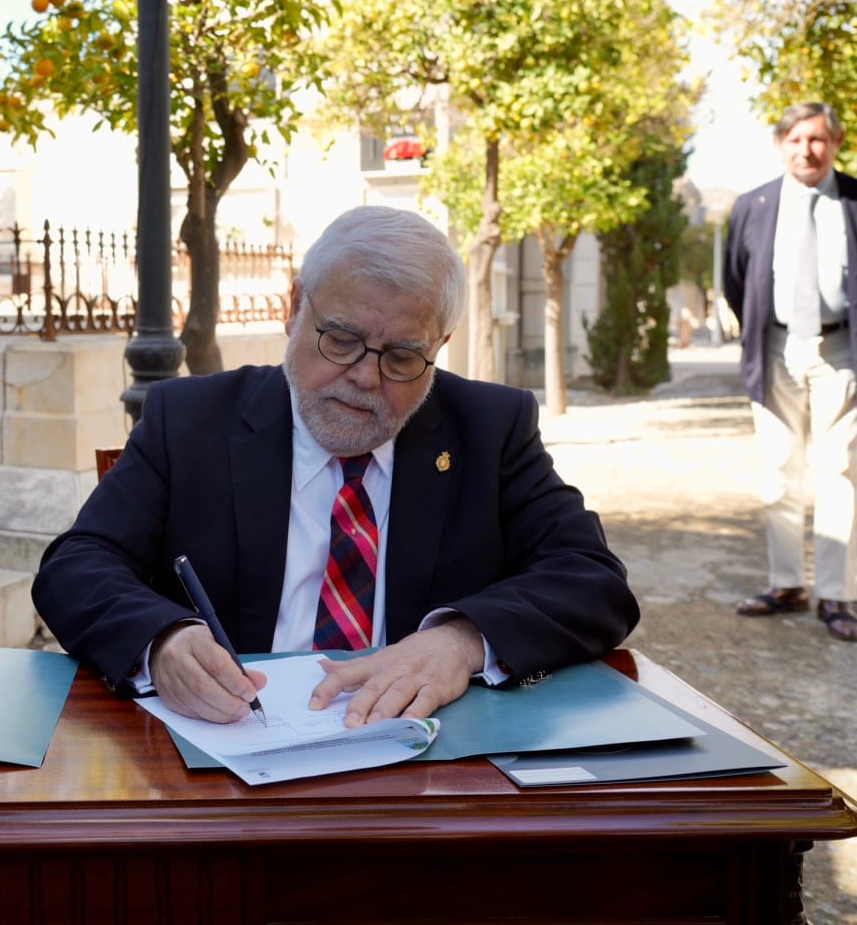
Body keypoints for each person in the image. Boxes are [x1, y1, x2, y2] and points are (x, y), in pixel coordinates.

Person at [33, 205, 639, 726]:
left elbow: (592, 579)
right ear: (295, 308)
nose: (365, 377)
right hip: (235, 752)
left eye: (403, 355)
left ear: (440, 345)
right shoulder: (189, 420)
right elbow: (76, 566)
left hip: (423, 762)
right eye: (341, 340)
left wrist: (461, 640)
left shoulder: (489, 427)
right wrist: (161, 640)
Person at [723, 102, 857, 642]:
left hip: (842, 350)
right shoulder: (753, 204)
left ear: (836, 143)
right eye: (798, 139)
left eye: (819, 139)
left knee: (839, 471)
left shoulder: (853, 200)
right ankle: (786, 585)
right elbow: (737, 279)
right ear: (781, 144)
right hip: (776, 346)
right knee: (779, 470)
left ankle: (835, 594)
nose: (808, 149)